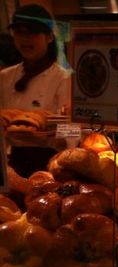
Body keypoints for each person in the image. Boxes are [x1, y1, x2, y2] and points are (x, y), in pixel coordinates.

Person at [0, 4, 70, 177]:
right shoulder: (5, 76)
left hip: (50, 162)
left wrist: (46, 136)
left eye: (32, 32)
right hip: (11, 161)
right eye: (19, 32)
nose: (25, 39)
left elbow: (73, 130)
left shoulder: (64, 78)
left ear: (49, 37)